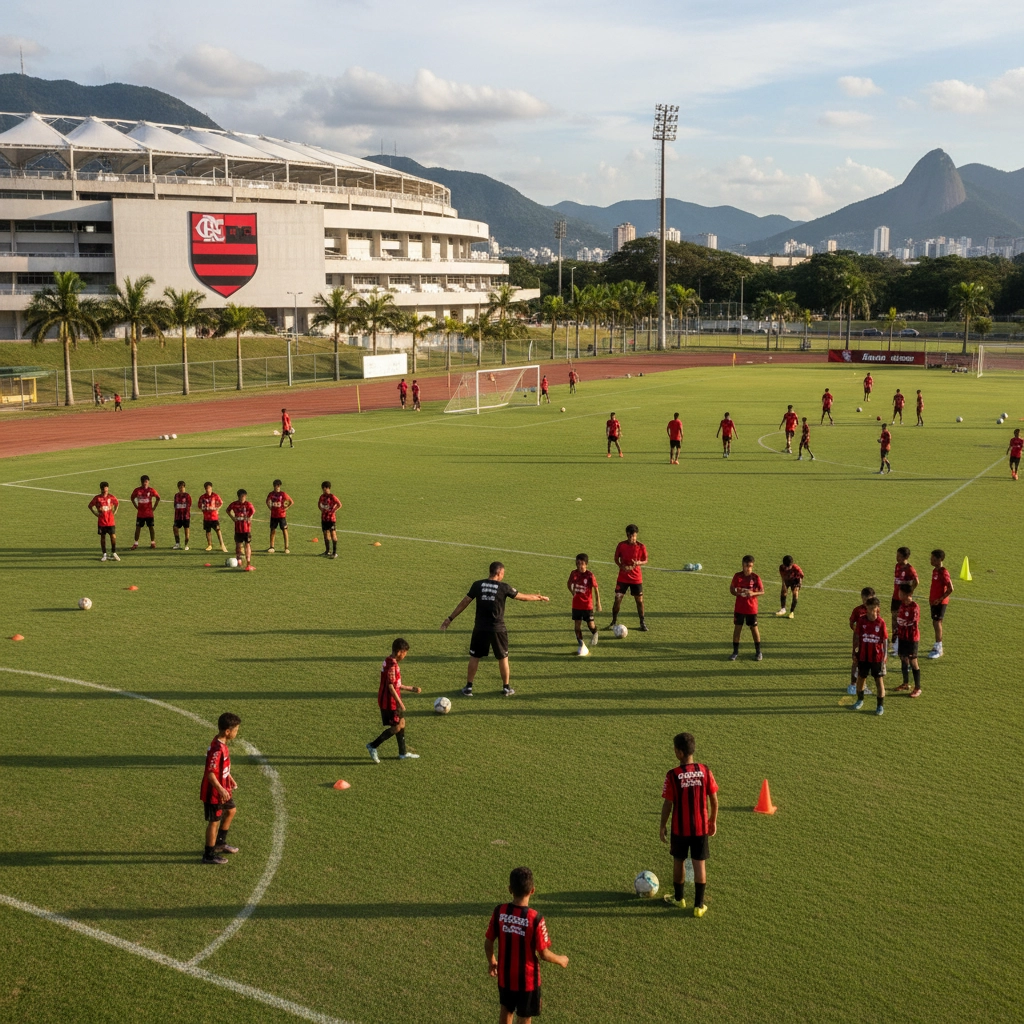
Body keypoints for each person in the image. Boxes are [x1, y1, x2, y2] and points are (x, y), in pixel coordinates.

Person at [442, 561, 549, 698]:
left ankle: (468, 687)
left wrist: (450, 618)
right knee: (503, 657)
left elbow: (465, 602)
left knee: (475, 656)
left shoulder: (478, 585)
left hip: (480, 628)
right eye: (503, 573)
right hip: (498, 628)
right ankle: (506, 688)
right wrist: (539, 598)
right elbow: (522, 597)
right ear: (499, 573)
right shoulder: (504, 587)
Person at [485, 867, 568, 1024]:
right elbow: (543, 953)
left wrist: (492, 962)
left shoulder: (500, 911)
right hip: (528, 980)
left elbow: (488, 941)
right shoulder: (535, 918)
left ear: (510, 889)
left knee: (506, 1010)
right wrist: (561, 959)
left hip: (506, 976)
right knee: (524, 1016)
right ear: (532, 890)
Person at [660, 731, 718, 916]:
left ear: (678, 752)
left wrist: (662, 826)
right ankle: (699, 907)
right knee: (699, 864)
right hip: (701, 827)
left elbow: (668, 804)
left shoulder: (673, 775)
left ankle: (679, 900)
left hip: (680, 828)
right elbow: (714, 800)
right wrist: (713, 821)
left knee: (679, 861)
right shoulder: (705, 770)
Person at [366, 638, 421, 762]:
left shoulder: (388, 660)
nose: (405, 655)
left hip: (390, 700)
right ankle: (373, 746)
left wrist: (411, 689)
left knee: (401, 724)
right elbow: (391, 687)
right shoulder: (392, 666)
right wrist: (400, 703)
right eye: (405, 653)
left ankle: (403, 753)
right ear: (400, 652)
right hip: (389, 702)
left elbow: (395, 684)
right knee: (396, 727)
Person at [200, 712, 241, 865]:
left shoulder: (222, 745)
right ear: (227, 731)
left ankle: (220, 844)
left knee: (231, 810)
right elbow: (210, 774)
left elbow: (221, 769)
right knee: (214, 822)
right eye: (236, 730)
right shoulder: (217, 750)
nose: (237, 733)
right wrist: (221, 789)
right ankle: (208, 855)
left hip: (223, 789)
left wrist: (229, 778)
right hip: (214, 793)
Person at [609, 524, 648, 631]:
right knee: (617, 599)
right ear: (627, 535)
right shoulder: (621, 545)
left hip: (636, 578)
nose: (633, 538)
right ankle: (613, 621)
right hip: (623, 578)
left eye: (635, 536)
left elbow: (645, 560)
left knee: (639, 600)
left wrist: (639, 562)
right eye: (631, 536)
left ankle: (642, 622)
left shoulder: (641, 546)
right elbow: (616, 558)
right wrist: (621, 566)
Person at [852, 597, 887, 714]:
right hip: (863, 656)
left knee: (879, 680)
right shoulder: (861, 621)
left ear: (877, 609)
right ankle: (860, 700)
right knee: (861, 678)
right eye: (868, 608)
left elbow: (885, 640)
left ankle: (880, 706)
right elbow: (857, 638)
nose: (870, 611)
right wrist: (854, 652)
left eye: (873, 608)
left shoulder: (881, 623)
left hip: (876, 658)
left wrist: (885, 655)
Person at [729, 554, 763, 661]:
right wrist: (737, 594)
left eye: (750, 566)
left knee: (754, 629)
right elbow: (731, 589)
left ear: (752, 566)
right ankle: (735, 652)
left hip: (751, 608)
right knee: (737, 628)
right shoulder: (737, 576)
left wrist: (752, 593)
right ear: (742, 565)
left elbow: (762, 591)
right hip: (739, 608)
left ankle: (758, 652)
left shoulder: (755, 577)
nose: (748, 568)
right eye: (746, 565)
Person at [893, 582, 923, 698]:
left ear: (907, 594)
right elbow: (899, 621)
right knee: (903, 658)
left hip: (911, 638)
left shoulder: (914, 607)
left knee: (913, 661)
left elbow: (914, 624)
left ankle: (918, 688)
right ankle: (905, 683)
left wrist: (904, 626)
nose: (898, 594)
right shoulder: (902, 605)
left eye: (900, 592)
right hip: (902, 637)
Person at [567, 554, 601, 655]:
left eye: (582, 564)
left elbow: (596, 589)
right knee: (577, 626)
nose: (579, 566)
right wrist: (573, 592)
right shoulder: (574, 573)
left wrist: (598, 602)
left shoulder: (590, 575)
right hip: (576, 605)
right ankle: (581, 643)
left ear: (586, 564)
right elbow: (569, 584)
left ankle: (595, 632)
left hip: (587, 605)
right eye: (578, 564)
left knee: (591, 624)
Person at [890, 547, 919, 655]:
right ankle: (894, 642)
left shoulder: (910, 569)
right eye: (896, 555)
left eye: (899, 556)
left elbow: (916, 581)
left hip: (902, 599)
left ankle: (899, 645)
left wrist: (909, 592)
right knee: (894, 619)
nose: (897, 558)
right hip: (895, 597)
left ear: (906, 557)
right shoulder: (897, 566)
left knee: (901, 621)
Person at [848, 587, 875, 694]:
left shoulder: (875, 609)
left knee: (866, 663)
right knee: (856, 661)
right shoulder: (857, 610)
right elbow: (852, 623)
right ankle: (853, 685)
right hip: (858, 640)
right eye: (864, 599)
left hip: (870, 641)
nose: (866, 602)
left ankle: (863, 685)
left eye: (868, 599)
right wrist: (858, 629)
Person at [927, 549, 953, 659]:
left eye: (933, 559)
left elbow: (950, 588)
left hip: (940, 602)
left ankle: (939, 647)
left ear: (939, 559)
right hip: (934, 601)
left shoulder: (943, 572)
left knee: (937, 623)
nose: (931, 560)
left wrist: (940, 599)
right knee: (935, 622)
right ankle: (937, 644)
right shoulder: (935, 570)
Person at [88, 481, 120, 562]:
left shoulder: (111, 497)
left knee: (113, 536)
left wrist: (115, 511)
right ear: (101, 489)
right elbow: (90, 506)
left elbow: (117, 503)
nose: (105, 490)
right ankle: (104, 554)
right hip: (102, 522)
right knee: (103, 537)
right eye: (103, 488)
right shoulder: (97, 498)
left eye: (106, 488)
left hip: (110, 521)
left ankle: (114, 552)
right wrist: (95, 513)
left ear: (108, 488)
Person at [226, 488, 255, 570]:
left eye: (244, 496)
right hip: (238, 529)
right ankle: (239, 561)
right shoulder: (234, 504)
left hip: (247, 529)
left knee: (247, 545)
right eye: (242, 497)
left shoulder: (248, 504)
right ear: (238, 497)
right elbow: (228, 510)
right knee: (238, 545)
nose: (243, 498)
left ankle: (248, 563)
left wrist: (250, 518)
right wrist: (233, 518)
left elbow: (253, 511)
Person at [130, 474, 160, 550]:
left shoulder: (151, 490)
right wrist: (136, 506)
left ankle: (153, 542)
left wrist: (154, 507)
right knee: (138, 528)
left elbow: (158, 498)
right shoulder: (137, 490)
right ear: (141, 482)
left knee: (151, 527)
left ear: (148, 482)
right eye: (143, 482)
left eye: (146, 481)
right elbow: (132, 498)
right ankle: (136, 543)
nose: (145, 483)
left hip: (149, 513)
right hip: (140, 514)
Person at [198, 482, 228, 553]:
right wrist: (203, 508)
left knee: (218, 530)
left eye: (209, 488)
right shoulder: (202, 497)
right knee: (208, 531)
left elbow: (221, 502)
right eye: (207, 488)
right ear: (205, 489)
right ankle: (209, 545)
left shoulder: (215, 495)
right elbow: (199, 505)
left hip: (214, 517)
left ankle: (222, 544)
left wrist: (217, 509)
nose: (208, 490)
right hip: (206, 517)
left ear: (211, 488)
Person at [266, 479, 293, 554]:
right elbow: (267, 501)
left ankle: (286, 547)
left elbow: (291, 501)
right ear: (274, 486)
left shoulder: (283, 494)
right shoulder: (271, 494)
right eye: (276, 486)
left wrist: (286, 507)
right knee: (272, 530)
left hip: (282, 515)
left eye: (278, 486)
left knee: (284, 530)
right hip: (274, 515)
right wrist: (270, 508)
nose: (277, 487)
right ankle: (272, 547)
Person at [318, 481, 342, 558]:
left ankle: (334, 553)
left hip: (331, 519)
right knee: (325, 534)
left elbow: (339, 504)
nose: (324, 491)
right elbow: (319, 504)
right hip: (324, 518)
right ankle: (327, 551)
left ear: (329, 488)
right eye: (323, 489)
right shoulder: (322, 497)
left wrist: (333, 511)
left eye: (326, 489)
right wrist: (321, 509)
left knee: (333, 535)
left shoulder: (332, 497)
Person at [172, 480, 192, 551]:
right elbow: (175, 505)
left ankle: (186, 545)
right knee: (175, 528)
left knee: (186, 531)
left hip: (186, 516)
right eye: (180, 487)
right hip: (178, 516)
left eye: (183, 487)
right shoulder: (176, 495)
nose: (181, 489)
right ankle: (177, 543)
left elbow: (189, 504)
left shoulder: (187, 496)